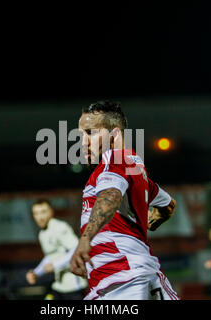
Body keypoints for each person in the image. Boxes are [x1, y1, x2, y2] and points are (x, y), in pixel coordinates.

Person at [70, 100, 179, 300]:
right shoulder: (135, 169)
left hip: (122, 280)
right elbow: (169, 205)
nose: (83, 141)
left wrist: (85, 239)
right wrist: (145, 224)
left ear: (115, 134)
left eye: (90, 133)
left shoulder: (114, 159)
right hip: (136, 275)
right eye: (80, 135)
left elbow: (110, 196)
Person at [26, 199, 88, 300]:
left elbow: (76, 249)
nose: (40, 217)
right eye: (36, 213)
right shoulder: (42, 234)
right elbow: (51, 257)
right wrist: (36, 273)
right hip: (59, 286)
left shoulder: (59, 227)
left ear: (51, 212)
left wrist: (55, 265)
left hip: (73, 287)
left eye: (43, 212)